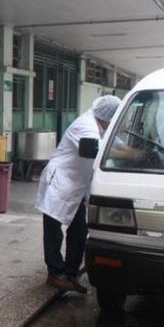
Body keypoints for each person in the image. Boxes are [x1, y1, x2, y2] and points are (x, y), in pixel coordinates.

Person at [36, 95, 122, 294]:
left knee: (80, 231)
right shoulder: (86, 125)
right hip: (59, 182)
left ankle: (71, 273)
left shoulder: (102, 126)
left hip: (74, 187)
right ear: (107, 117)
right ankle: (55, 274)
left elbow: (116, 143)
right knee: (53, 230)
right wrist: (130, 154)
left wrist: (130, 149)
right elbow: (101, 150)